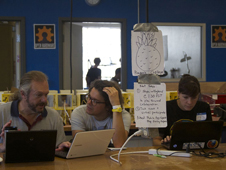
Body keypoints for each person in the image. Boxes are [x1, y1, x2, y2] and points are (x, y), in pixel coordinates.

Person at [0, 71, 71, 152]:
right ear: (23, 94)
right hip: (9, 164)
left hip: (44, 164)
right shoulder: (2, 112)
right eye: (38, 95)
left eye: (46, 94)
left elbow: (59, 145)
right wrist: (3, 147)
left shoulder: (53, 116)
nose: (44, 100)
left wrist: (62, 146)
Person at [153, 74, 212, 145]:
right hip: (172, 153)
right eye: (185, 97)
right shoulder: (166, 108)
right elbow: (156, 140)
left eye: (194, 98)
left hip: (198, 152)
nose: (190, 102)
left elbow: (211, 138)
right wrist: (165, 144)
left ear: (198, 95)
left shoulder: (204, 108)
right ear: (178, 93)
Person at [70, 80, 131, 148]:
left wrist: (116, 106)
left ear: (108, 106)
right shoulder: (79, 113)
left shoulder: (122, 115)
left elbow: (119, 144)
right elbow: (79, 145)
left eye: (95, 101)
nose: (89, 103)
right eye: (89, 97)